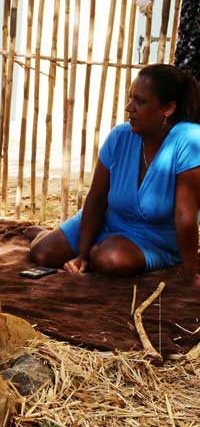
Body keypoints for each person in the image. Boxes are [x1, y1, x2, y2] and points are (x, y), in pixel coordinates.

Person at [30, 64, 200, 286]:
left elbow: (185, 216)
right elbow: (96, 198)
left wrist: (189, 273)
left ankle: (99, 251)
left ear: (167, 108)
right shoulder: (121, 136)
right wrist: (81, 254)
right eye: (131, 99)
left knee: (110, 259)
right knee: (43, 253)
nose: (130, 107)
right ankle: (45, 235)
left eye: (140, 101)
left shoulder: (189, 140)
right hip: (110, 221)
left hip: (154, 239)